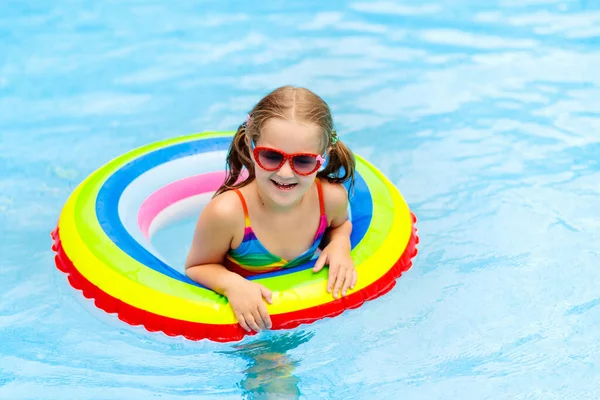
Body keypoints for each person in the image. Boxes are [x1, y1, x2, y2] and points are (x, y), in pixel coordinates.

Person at [185, 86, 357, 334]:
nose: (285, 173)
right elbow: (196, 266)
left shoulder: (329, 199)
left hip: (306, 311)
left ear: (323, 158)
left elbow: (340, 225)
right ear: (250, 144)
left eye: (303, 161)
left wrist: (339, 245)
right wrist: (232, 284)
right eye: (271, 156)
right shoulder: (228, 214)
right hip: (248, 325)